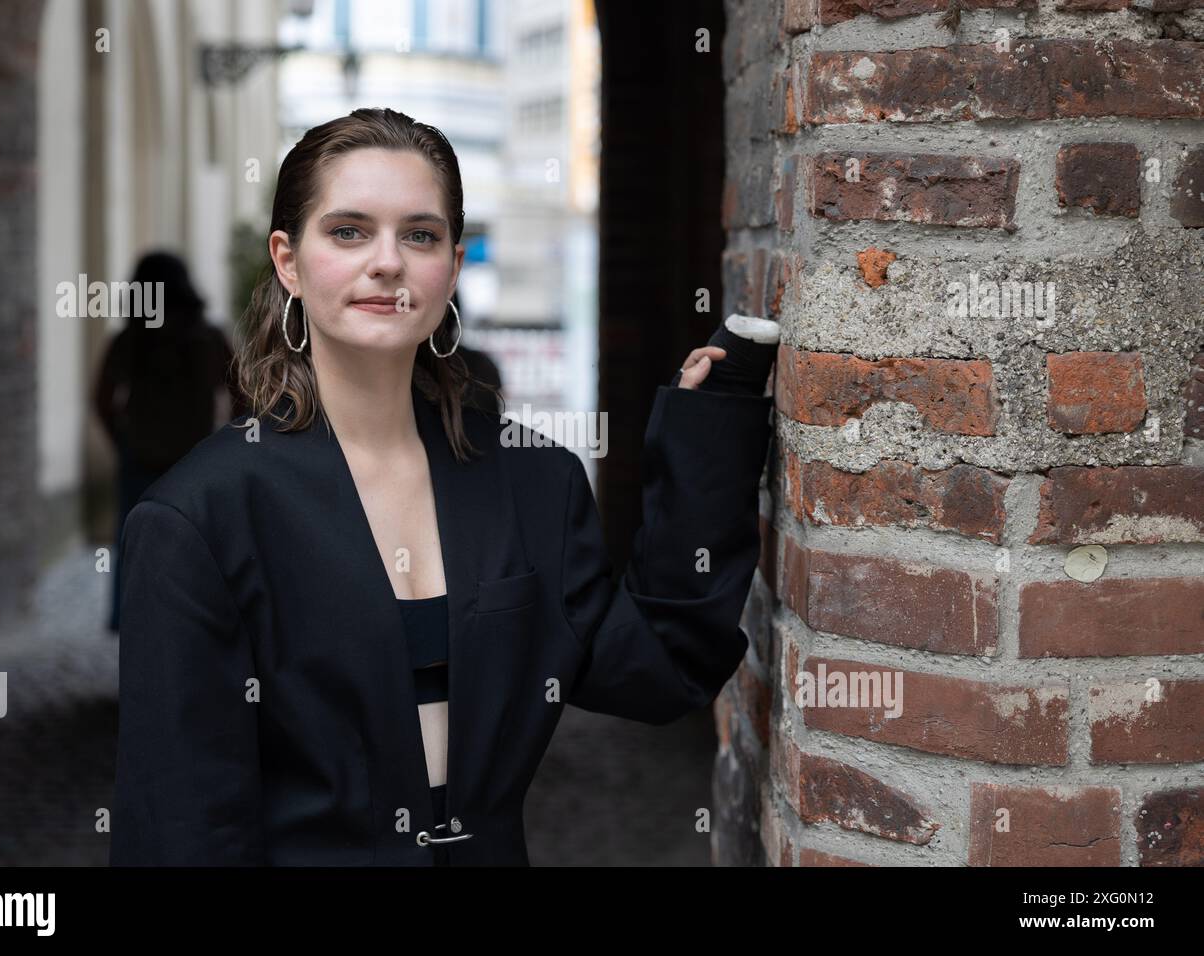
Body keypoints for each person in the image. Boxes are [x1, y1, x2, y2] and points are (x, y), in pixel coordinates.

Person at [109, 107, 775, 867]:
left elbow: (660, 667)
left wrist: (710, 434)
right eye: (349, 231)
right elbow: (179, 831)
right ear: (289, 262)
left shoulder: (535, 483)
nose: (387, 262)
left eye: (420, 235)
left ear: (452, 267)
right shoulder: (196, 519)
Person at [92, 251, 239, 633]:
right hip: (193, 464)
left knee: (135, 547)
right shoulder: (208, 339)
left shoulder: (129, 341)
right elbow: (242, 395)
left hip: (141, 458)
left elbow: (102, 399)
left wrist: (123, 440)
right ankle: (191, 622)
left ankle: (133, 621)